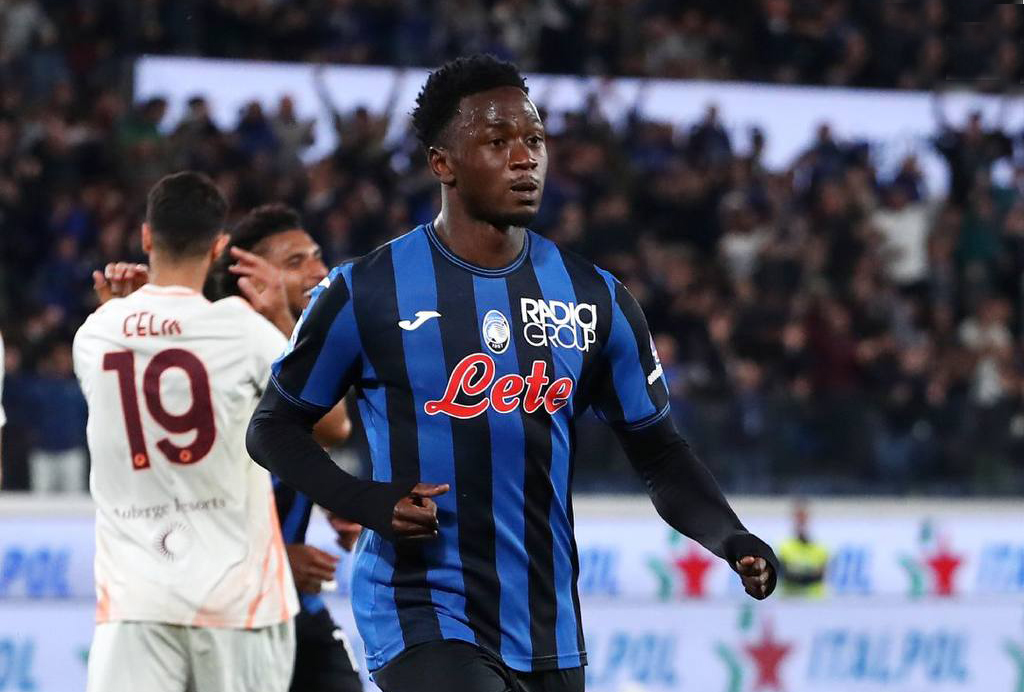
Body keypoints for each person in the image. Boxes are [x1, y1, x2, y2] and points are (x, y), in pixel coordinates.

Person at [247, 55, 778, 692]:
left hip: (548, 628)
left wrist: (731, 536)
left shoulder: (596, 299)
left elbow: (659, 453)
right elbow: (272, 427)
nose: (525, 159)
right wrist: (365, 501)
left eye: (534, 140)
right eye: (497, 142)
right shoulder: (367, 291)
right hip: (419, 611)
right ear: (442, 163)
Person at [97, 203, 363, 692]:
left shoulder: (303, 348)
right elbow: (333, 427)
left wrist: (334, 498)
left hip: (291, 605)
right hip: (224, 609)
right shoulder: (219, 359)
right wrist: (277, 558)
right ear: (248, 279)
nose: (318, 270)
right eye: (296, 262)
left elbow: (301, 438)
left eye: (316, 255)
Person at [73, 171, 298, 692]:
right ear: (218, 247)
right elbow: (328, 420)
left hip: (136, 602)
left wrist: (120, 309)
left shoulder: (96, 334)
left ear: (146, 237)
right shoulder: (246, 330)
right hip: (239, 600)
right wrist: (282, 320)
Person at [778, 500, 829, 598]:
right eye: (798, 517)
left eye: (804, 517)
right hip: (791, 599)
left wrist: (797, 573)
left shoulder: (820, 549)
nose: (801, 522)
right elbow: (783, 574)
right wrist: (808, 574)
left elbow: (820, 575)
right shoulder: (784, 547)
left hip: (814, 600)